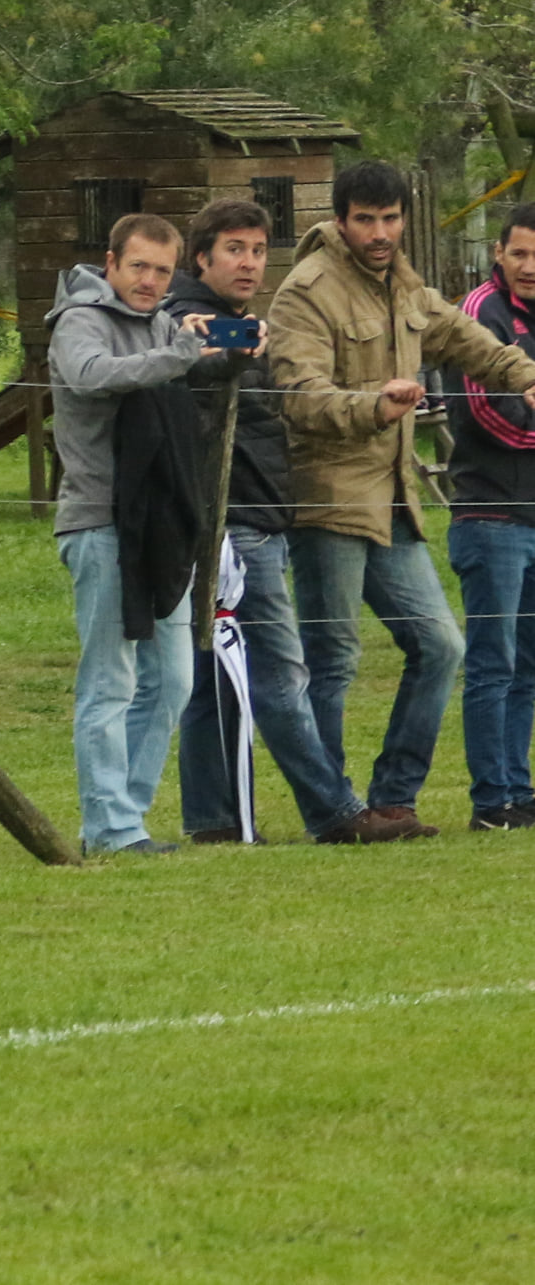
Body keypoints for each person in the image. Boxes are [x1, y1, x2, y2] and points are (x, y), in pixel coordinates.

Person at [269, 161, 535, 837]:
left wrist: (529, 377)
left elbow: (477, 346)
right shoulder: (306, 291)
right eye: (366, 219)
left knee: (441, 645)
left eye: (390, 219)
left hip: (394, 499)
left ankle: (393, 798)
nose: (380, 233)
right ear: (340, 220)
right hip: (329, 498)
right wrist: (373, 407)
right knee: (333, 659)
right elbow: (298, 397)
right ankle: (334, 811)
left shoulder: (406, 286)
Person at [167, 200, 416, 846]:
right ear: (202, 257)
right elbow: (184, 345)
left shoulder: (238, 321)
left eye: (257, 250)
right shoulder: (191, 319)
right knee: (282, 670)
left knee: (212, 678)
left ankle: (213, 818)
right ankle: (333, 809)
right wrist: (216, 335)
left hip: (247, 513)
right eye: (234, 250)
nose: (249, 263)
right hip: (236, 519)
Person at [48, 212, 213, 854]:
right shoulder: (79, 320)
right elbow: (91, 376)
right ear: (110, 261)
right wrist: (179, 353)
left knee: (173, 679)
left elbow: (188, 374)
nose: (149, 281)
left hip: (162, 528)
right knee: (110, 681)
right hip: (101, 523)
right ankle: (110, 829)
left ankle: (128, 819)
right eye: (138, 265)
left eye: (162, 271)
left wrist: (225, 351)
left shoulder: (165, 323)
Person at [444, 203, 535, 831]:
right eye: (520, 253)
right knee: (491, 661)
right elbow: (486, 411)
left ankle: (519, 790)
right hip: (490, 511)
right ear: (498, 253)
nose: (529, 266)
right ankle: (489, 800)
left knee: (528, 662)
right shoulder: (480, 313)